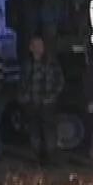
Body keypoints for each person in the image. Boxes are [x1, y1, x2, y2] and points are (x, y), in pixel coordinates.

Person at [21, 35, 66, 166]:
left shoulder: (51, 62)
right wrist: (25, 95)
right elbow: (23, 82)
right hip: (32, 102)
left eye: (40, 45)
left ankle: (50, 157)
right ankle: (37, 156)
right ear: (31, 47)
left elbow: (60, 81)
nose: (39, 48)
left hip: (48, 103)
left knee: (49, 130)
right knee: (34, 130)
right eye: (35, 45)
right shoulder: (27, 64)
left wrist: (52, 96)